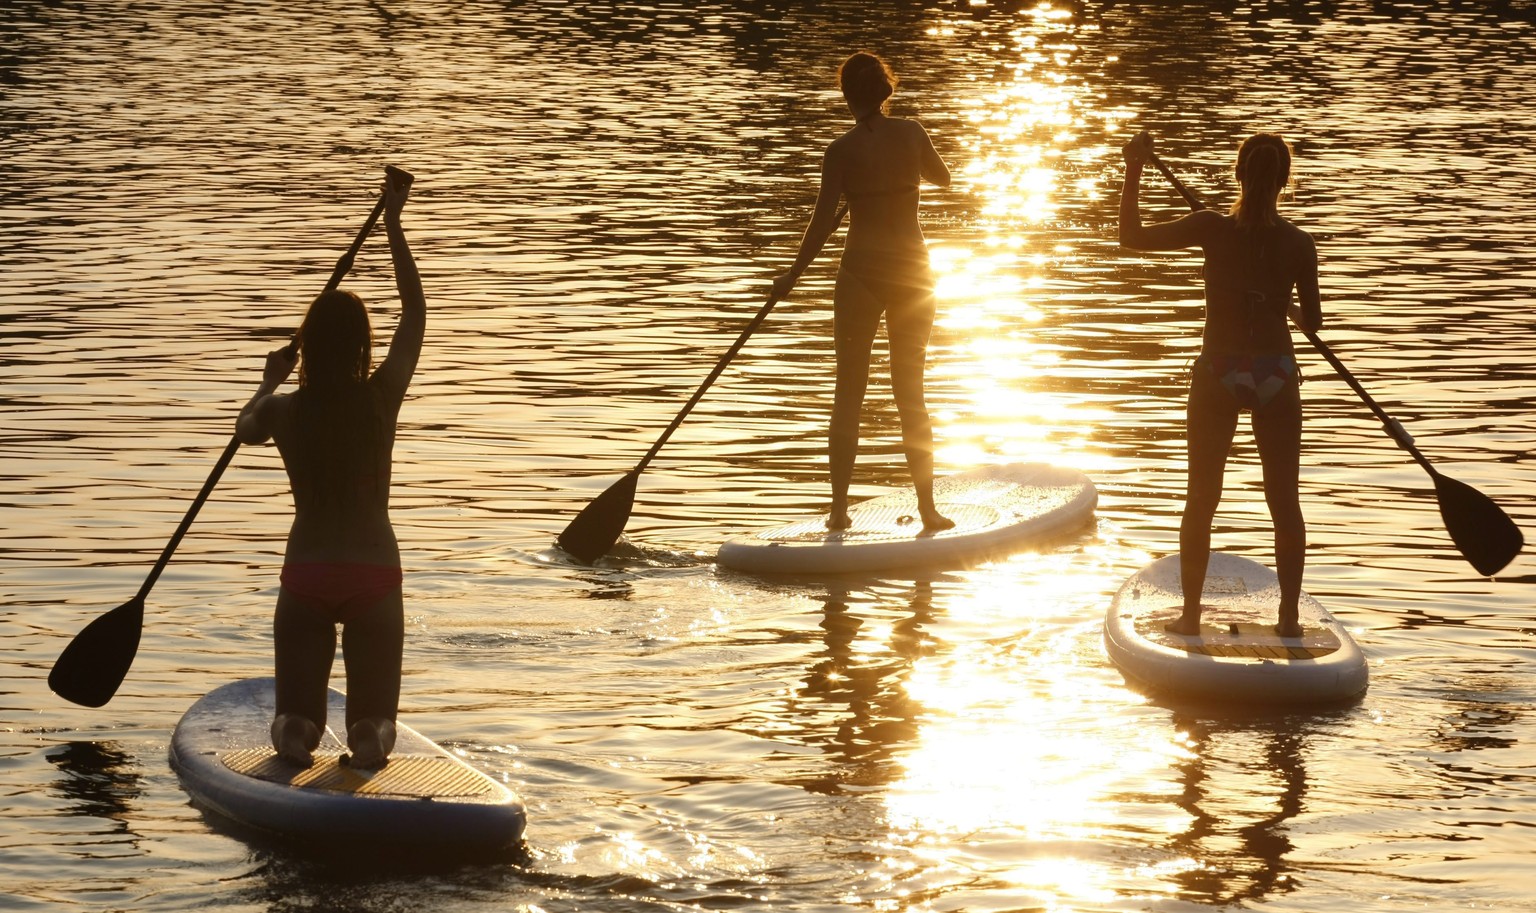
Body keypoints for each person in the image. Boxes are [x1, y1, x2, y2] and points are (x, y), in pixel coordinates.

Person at [236, 174, 425, 768]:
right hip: (374, 570)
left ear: (307, 348)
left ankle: (295, 738)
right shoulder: (381, 399)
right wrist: (393, 225)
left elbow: (244, 432)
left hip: (306, 572)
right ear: (360, 347)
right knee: (376, 716)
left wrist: (269, 380)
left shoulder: (282, 409)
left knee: (295, 715)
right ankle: (368, 740)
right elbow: (416, 313)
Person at [1119, 131, 1322, 638]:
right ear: (1283, 182)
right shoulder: (1299, 243)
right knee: (1284, 501)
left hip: (1219, 371)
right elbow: (1315, 323)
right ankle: (1290, 621)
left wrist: (1134, 169)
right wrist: (1285, 305)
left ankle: (1190, 617)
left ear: (1239, 175)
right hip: (1276, 373)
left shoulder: (1211, 227)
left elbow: (1131, 236)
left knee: (1201, 497)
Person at [772, 51, 955, 533]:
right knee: (909, 395)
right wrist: (904, 174)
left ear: (846, 96)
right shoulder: (913, 133)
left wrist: (792, 274)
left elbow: (818, 223)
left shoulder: (840, 151)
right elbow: (944, 178)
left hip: (859, 274)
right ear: (885, 91)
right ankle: (929, 511)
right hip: (913, 274)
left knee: (848, 393)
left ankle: (838, 511)